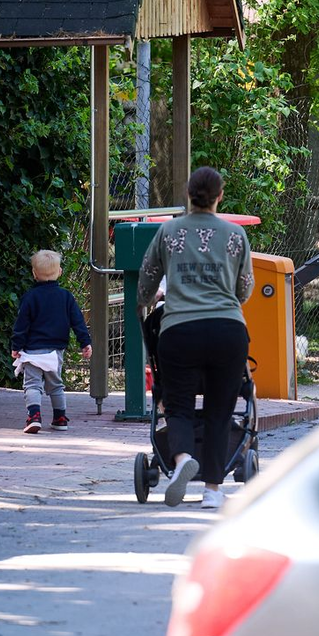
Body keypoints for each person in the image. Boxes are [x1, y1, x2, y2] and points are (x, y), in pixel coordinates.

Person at [136, 166, 254, 510]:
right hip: (227, 331)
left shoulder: (169, 231)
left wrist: (147, 300)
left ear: (188, 194)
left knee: (179, 405)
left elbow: (146, 278)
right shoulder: (235, 236)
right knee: (220, 410)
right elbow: (244, 288)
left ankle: (182, 459)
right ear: (220, 196)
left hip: (179, 331)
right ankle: (213, 490)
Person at [11, 250, 92, 434]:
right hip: (55, 351)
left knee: (32, 384)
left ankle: (34, 416)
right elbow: (78, 321)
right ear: (60, 272)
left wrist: (16, 346)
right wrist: (85, 342)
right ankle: (60, 417)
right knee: (56, 385)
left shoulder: (30, 297)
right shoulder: (66, 297)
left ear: (34, 274)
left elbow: (21, 325)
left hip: (32, 350)